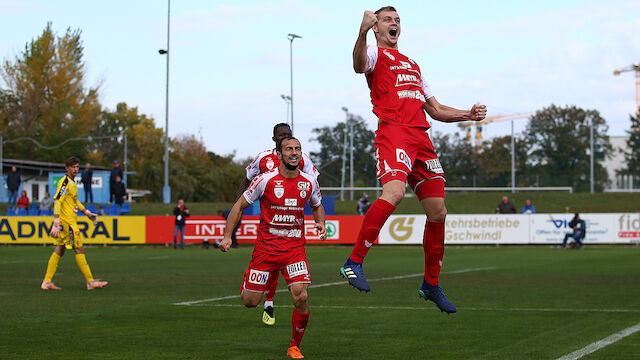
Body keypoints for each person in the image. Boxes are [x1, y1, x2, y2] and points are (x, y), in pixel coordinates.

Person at [339, 6, 487, 314]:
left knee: (438, 212)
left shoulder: (413, 64)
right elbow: (357, 65)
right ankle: (354, 262)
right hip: (394, 133)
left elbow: (434, 109)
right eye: (387, 20)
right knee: (393, 193)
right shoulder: (375, 54)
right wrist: (361, 31)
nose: (394, 24)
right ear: (376, 27)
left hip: (422, 138)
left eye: (397, 20)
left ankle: (430, 284)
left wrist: (467, 115)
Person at [218, 136, 327, 359]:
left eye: (297, 149)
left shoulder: (309, 181)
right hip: (265, 251)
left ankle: (294, 346)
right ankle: (249, 277)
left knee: (301, 297)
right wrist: (227, 236)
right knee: (250, 302)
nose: (294, 153)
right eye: (288, 149)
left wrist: (321, 223)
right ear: (279, 154)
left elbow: (317, 206)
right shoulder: (264, 181)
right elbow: (239, 206)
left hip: (294, 250)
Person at [237, 123, 320, 326]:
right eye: (282, 136)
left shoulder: (303, 159)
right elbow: (247, 178)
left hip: (292, 232)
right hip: (270, 218)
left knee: (299, 292)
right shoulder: (263, 159)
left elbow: (314, 182)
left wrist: (317, 210)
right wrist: (238, 203)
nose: (286, 138)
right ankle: (263, 296)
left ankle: (269, 301)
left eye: (289, 135)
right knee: (253, 294)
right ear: (275, 140)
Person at [41, 156, 108, 291]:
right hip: (68, 223)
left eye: (77, 167)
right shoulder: (65, 182)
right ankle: (90, 281)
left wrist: (86, 212)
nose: (76, 169)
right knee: (79, 249)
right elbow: (58, 200)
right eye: (73, 167)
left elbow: (74, 201)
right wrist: (56, 220)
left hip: (68, 221)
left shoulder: (72, 183)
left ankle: (46, 282)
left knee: (59, 250)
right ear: (67, 168)